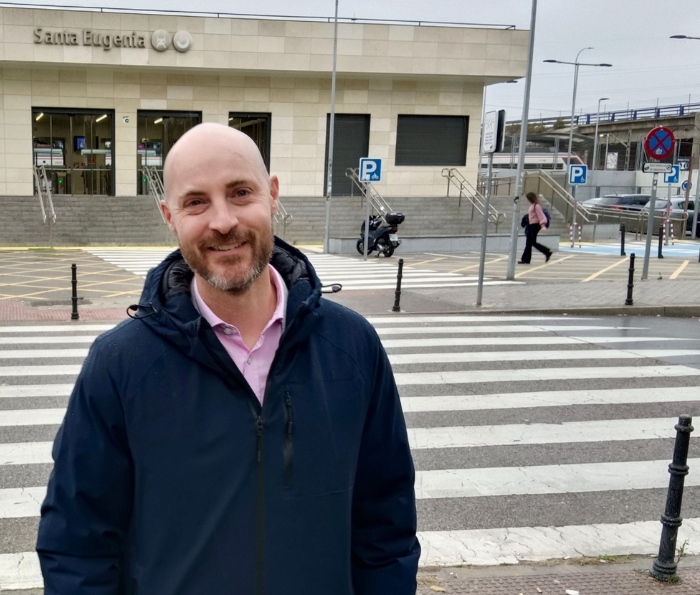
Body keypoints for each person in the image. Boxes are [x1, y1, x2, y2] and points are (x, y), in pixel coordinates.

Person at [37, 123, 419, 595]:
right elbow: (78, 546)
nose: (222, 221)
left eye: (240, 192)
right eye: (196, 202)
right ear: (169, 216)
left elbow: (385, 529)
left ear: (272, 195)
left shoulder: (352, 347)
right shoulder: (119, 366)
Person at [519, 191, 552, 264]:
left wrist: (543, 225)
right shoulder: (532, 205)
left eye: (527, 198)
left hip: (535, 225)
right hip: (531, 225)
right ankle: (526, 259)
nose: (527, 200)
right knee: (529, 243)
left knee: (531, 242)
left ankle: (547, 252)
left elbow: (541, 216)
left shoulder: (536, 206)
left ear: (531, 198)